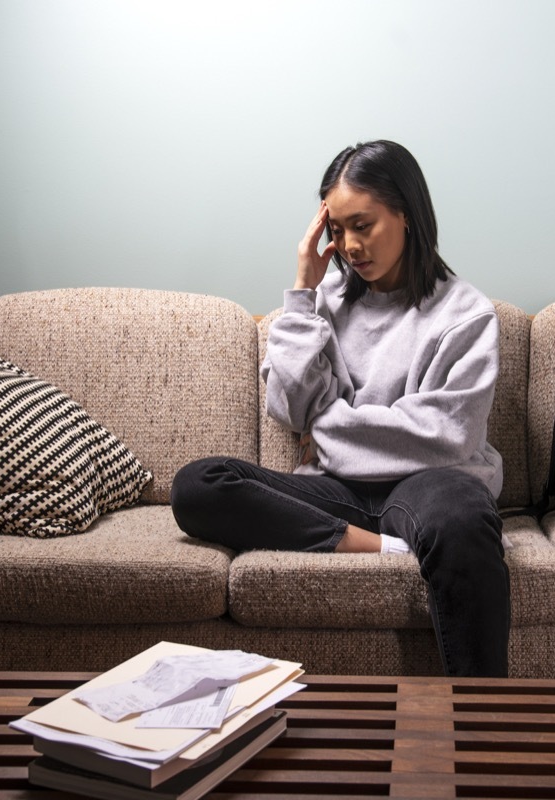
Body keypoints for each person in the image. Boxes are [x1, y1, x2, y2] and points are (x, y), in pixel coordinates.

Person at [170, 140, 510, 677]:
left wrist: (327, 425)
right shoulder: (325, 301)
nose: (350, 245)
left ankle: (482, 719)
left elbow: (446, 436)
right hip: (338, 492)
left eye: (363, 224)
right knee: (197, 485)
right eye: (337, 230)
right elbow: (287, 407)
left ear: (407, 214)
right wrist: (303, 292)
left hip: (432, 483)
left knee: (465, 521)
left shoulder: (465, 313)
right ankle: (375, 545)